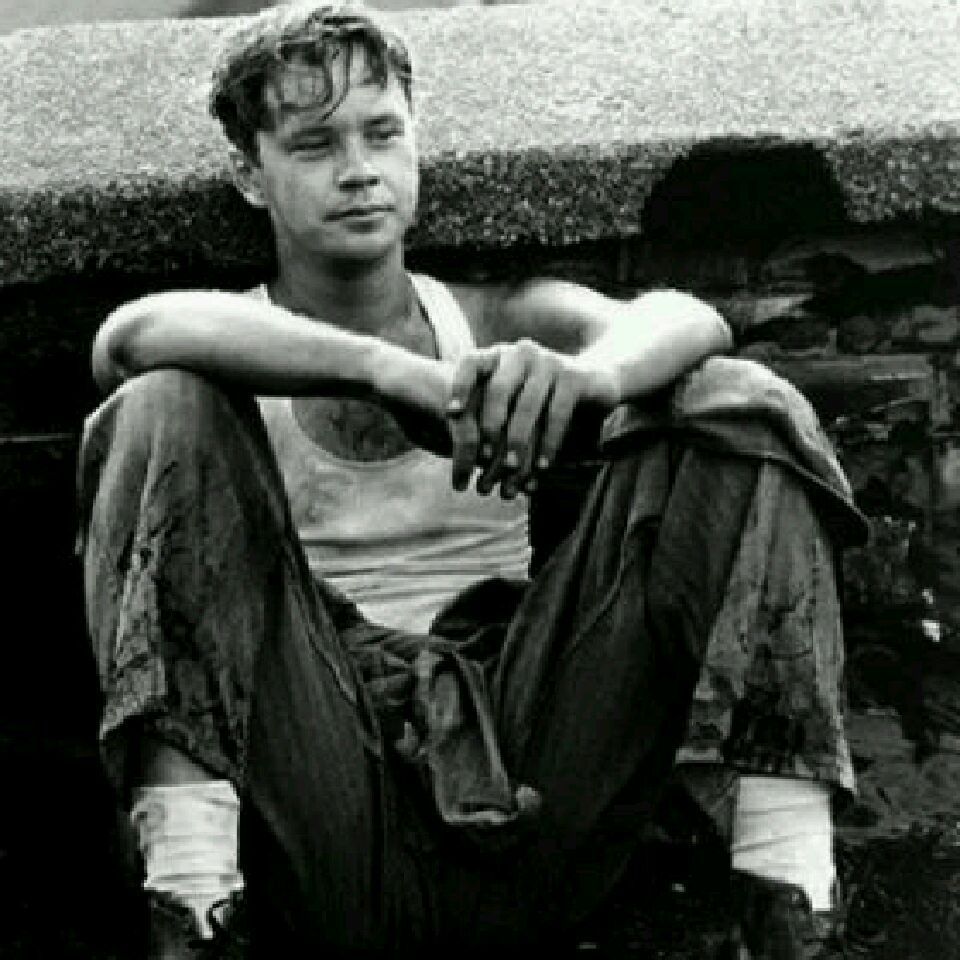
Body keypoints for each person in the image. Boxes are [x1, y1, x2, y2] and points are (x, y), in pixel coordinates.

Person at [78, 4, 865, 957]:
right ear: (250, 171)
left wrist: (592, 380)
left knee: (736, 401)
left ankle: (790, 902)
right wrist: (388, 373)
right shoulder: (230, 338)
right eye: (315, 144)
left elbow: (689, 319)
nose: (359, 169)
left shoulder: (488, 318)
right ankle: (193, 913)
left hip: (527, 769)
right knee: (163, 402)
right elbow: (130, 337)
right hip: (321, 799)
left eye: (382, 133)